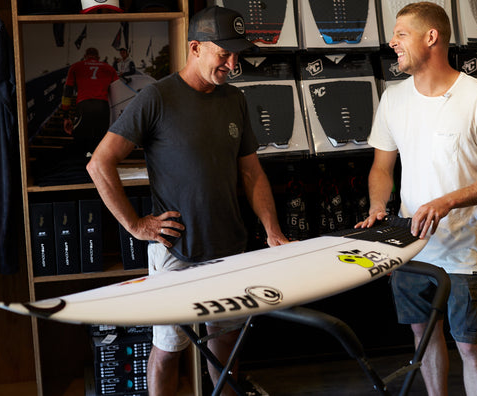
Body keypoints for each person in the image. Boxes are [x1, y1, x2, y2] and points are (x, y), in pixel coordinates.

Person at [86, 6, 287, 396]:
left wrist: (272, 231)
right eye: (223, 54)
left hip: (230, 246)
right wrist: (136, 225)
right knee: (168, 351)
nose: (232, 63)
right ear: (195, 48)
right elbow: (100, 163)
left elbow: (251, 172)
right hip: (176, 250)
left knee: (225, 346)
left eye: (236, 54)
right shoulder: (156, 97)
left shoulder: (234, 100)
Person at [356, 3, 477, 396]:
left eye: (400, 34)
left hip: (465, 253)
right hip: (411, 248)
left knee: (471, 346)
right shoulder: (393, 99)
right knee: (424, 338)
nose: (392, 42)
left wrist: (447, 202)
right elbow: (382, 167)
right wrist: (379, 206)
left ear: (431, 37)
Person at [62, 47, 120, 156]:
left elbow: (67, 92)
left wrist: (66, 116)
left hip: (84, 105)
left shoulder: (76, 67)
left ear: (85, 56)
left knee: (81, 144)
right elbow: (117, 93)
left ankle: (81, 168)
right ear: (98, 58)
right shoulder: (109, 69)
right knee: (100, 143)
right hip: (102, 106)